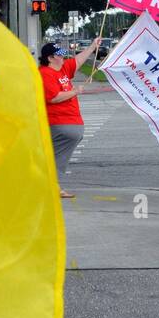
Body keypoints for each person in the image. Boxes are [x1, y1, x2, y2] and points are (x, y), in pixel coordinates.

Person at [39, 37, 101, 199]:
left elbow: (77, 61)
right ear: (50, 58)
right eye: (59, 55)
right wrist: (75, 91)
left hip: (70, 123)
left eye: (62, 54)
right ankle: (52, 187)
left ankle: (44, 184)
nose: (63, 57)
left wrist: (93, 46)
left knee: (54, 156)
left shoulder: (62, 70)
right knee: (57, 158)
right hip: (58, 122)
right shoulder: (46, 73)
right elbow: (54, 97)